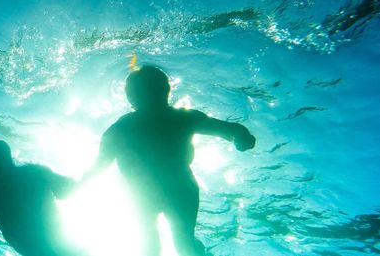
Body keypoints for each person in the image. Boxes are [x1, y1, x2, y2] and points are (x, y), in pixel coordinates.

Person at [82, 65, 256, 256]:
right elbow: (230, 129)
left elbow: (97, 168)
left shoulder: (121, 129)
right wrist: (242, 136)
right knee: (179, 243)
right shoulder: (181, 118)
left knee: (159, 245)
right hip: (175, 189)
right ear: (166, 90)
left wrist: (75, 187)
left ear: (130, 96)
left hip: (152, 191)